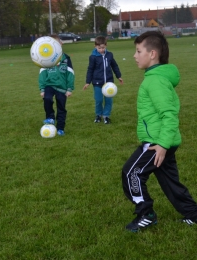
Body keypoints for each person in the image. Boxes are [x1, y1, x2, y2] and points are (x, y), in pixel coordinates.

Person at [122, 31, 197, 232]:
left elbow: (169, 114)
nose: (134, 56)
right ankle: (193, 214)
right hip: (164, 141)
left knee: (132, 173)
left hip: (157, 143)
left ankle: (146, 213)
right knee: (170, 183)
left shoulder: (155, 81)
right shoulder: (157, 78)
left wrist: (162, 145)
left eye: (138, 51)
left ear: (152, 54)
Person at [39, 34, 75, 136]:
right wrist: (42, 88)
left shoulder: (66, 58)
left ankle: (60, 128)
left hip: (62, 88)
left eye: (56, 43)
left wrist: (69, 89)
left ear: (61, 44)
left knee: (61, 108)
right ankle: (50, 118)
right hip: (49, 85)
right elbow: (42, 73)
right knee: (47, 99)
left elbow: (70, 74)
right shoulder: (46, 58)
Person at [83, 36, 123, 124]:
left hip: (109, 83)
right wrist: (87, 82)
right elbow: (90, 69)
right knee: (99, 100)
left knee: (108, 100)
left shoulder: (110, 55)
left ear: (106, 46)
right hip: (97, 83)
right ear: (95, 46)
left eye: (103, 47)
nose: (101, 49)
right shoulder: (93, 57)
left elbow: (114, 66)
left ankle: (106, 116)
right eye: (99, 48)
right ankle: (98, 115)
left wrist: (118, 76)